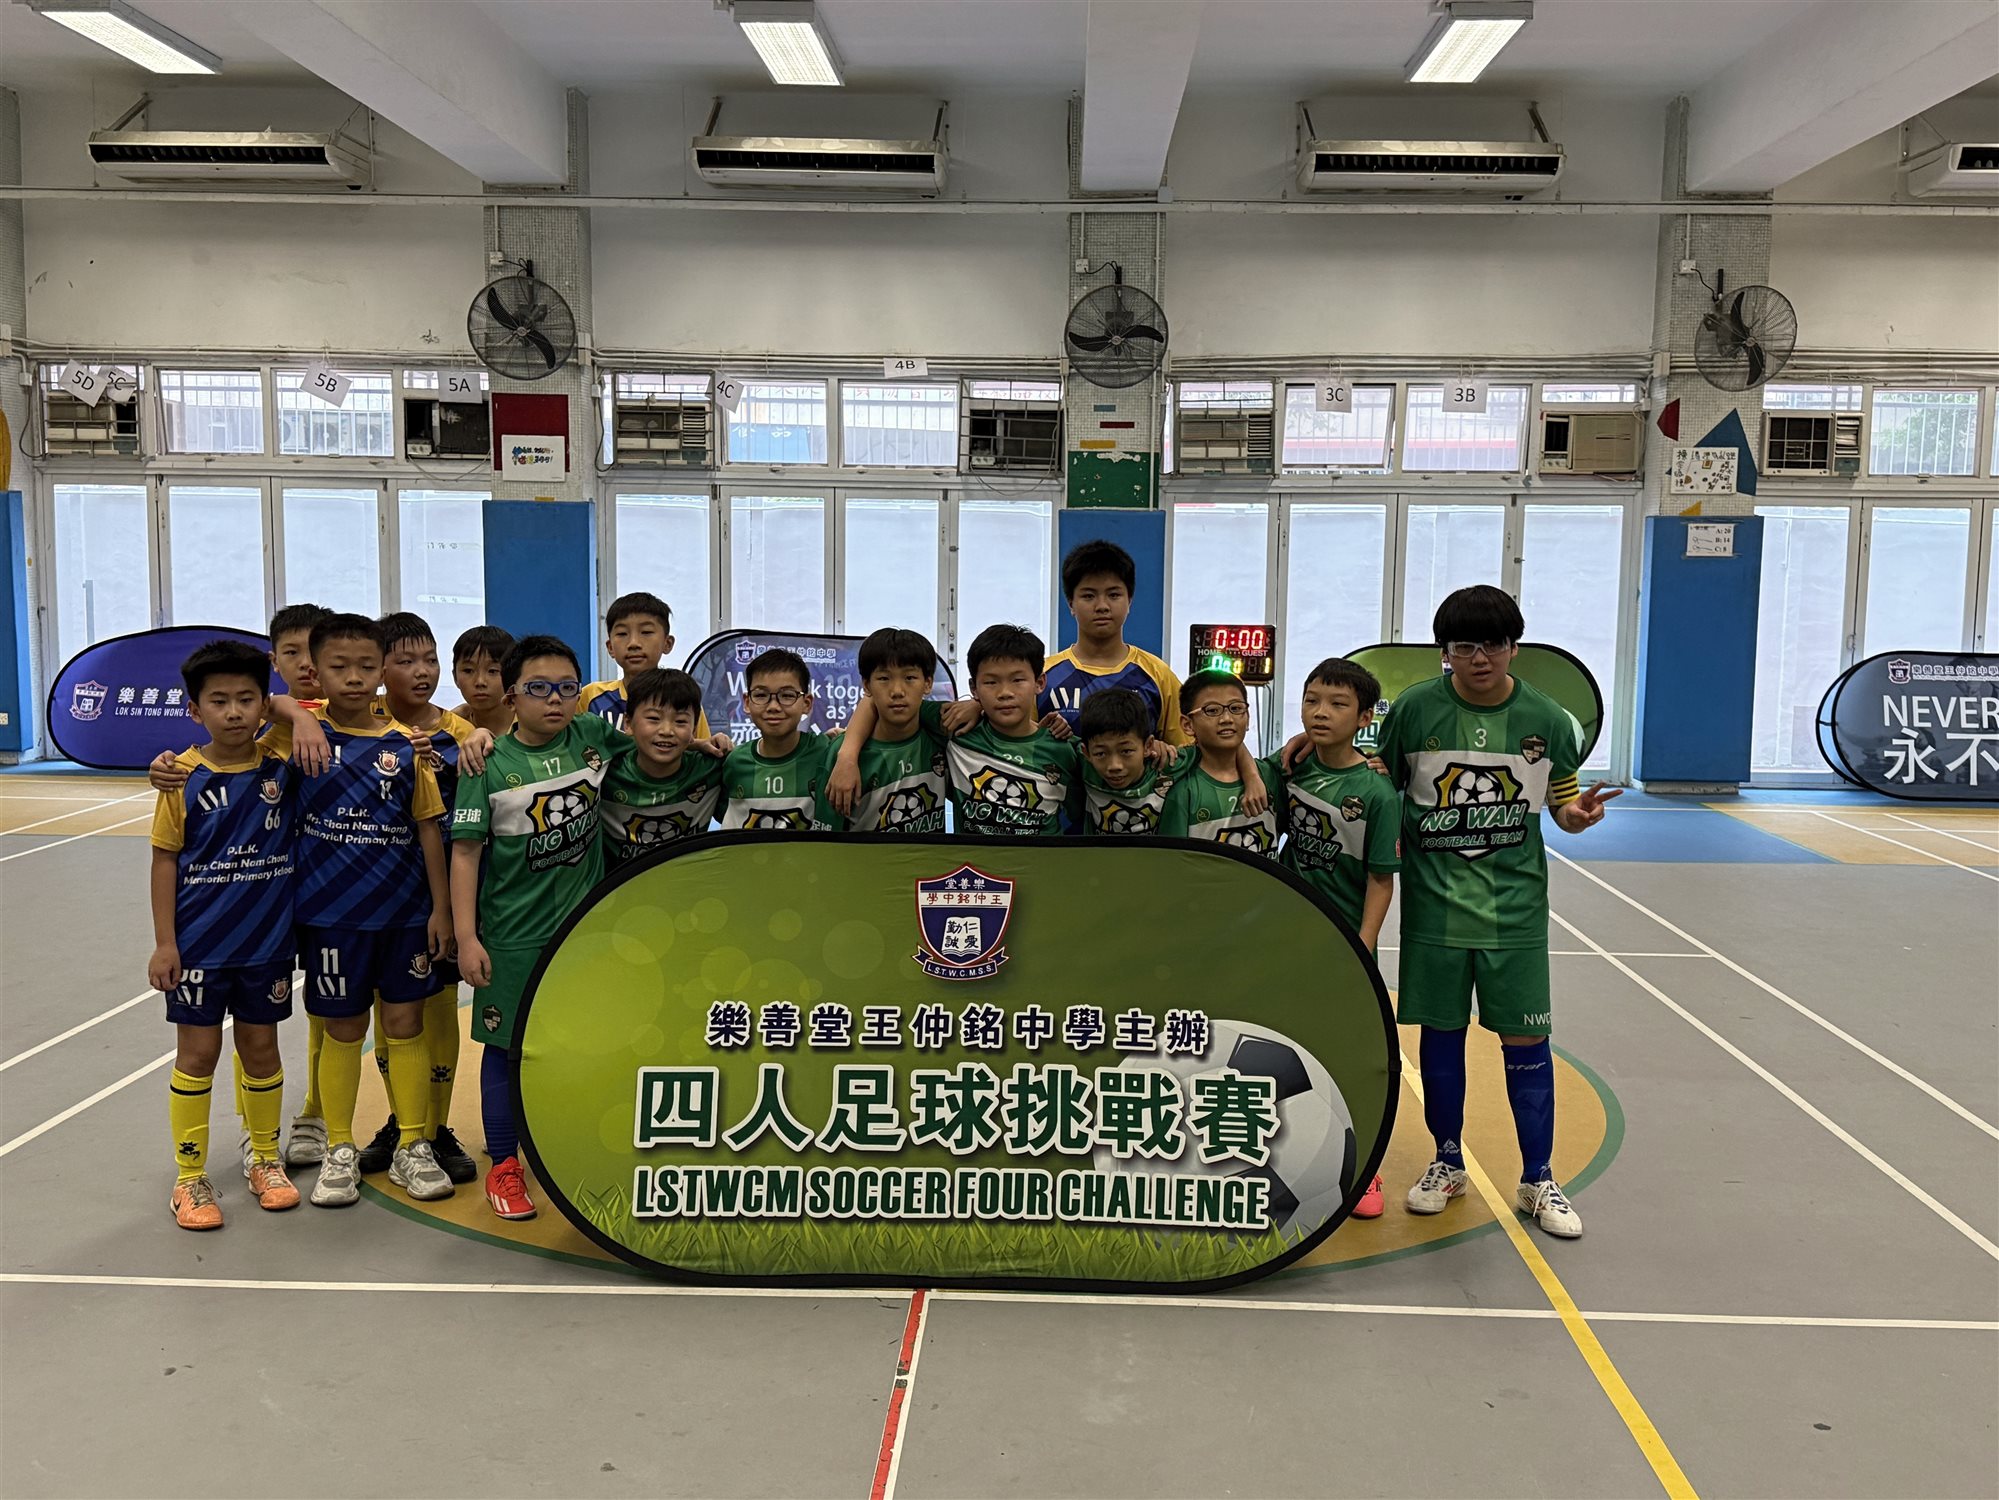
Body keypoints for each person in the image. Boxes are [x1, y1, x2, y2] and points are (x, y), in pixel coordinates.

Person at [1375, 585, 1618, 1239]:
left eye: (1492, 644)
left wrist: (1578, 817)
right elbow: (1378, 781)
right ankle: (1446, 1161)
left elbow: (1562, 807)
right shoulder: (1414, 710)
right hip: (1434, 911)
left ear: (1514, 647)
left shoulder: (1547, 720)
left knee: (1526, 1040)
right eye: (1463, 646)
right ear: (1444, 652)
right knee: (1441, 1035)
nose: (1478, 658)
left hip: (1515, 912)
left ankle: (1538, 1176)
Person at [277, 614, 455, 1208]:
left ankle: (412, 1145)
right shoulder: (299, 738)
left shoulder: (406, 745)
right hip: (332, 919)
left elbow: (428, 828)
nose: (353, 678)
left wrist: (440, 910)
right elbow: (258, 710)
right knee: (344, 1029)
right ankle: (339, 1148)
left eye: (365, 666)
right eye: (339, 667)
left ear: (381, 672)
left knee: (405, 1026)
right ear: (316, 670)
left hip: (404, 915)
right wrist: (300, 714)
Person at [451, 635, 621, 1221]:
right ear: (511, 697)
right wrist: (467, 938)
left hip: (585, 937)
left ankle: (571, 1150)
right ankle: (504, 1165)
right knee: (504, 1050)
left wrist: (708, 741)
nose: (555, 700)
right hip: (512, 938)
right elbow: (465, 853)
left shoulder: (593, 737)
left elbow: (658, 743)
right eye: (539, 688)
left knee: (583, 1045)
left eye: (567, 688)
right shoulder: (485, 763)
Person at [148, 640, 305, 1229]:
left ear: (264, 704)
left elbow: (297, 707)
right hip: (199, 947)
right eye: (218, 701)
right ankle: (189, 1178)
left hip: (266, 945)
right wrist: (166, 943)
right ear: (194, 710)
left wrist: (288, 711)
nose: (234, 712)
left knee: (261, 1050)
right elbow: (165, 860)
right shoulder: (181, 777)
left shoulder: (280, 759)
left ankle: (264, 1159)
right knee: (198, 1055)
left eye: (246, 699)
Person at [1267, 656, 1401, 1219]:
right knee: (1286, 1047)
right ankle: (1282, 1152)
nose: (1320, 713)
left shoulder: (1377, 793)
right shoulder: (1289, 770)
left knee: (1347, 1054)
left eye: (1338, 704)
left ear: (1365, 717)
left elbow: (1380, 880)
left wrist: (1363, 946)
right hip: (1289, 933)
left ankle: (1364, 1167)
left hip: (1345, 941)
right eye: (1312, 700)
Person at [349, 613, 480, 1185]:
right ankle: (403, 1123)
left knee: (438, 1008)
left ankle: (436, 1128)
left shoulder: (461, 733)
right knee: (392, 1014)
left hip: (440, 899)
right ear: (380, 669)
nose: (421, 671)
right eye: (406, 661)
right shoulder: (362, 728)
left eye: (429, 659)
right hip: (381, 899)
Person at [1039, 540, 1188, 746]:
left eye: (1114, 595)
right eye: (1088, 596)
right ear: (1071, 603)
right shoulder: (1043, 677)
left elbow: (1185, 751)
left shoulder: (1158, 675)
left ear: (1130, 601)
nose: (1102, 606)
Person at [947, 624, 1082, 838]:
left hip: (1045, 859)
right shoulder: (957, 736)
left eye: (1018, 680)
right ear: (974, 688)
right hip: (974, 861)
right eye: (991, 682)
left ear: (1039, 682)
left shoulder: (1065, 749)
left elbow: (1086, 812)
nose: (1005, 693)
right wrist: (973, 705)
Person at [825, 628, 951, 834]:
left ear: (928, 683)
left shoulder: (941, 732)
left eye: (910, 677)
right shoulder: (844, 754)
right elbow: (825, 840)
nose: (897, 691)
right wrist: (847, 756)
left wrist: (976, 706)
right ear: (866, 685)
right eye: (884, 678)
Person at [599, 668, 726, 862]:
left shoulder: (712, 769)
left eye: (680, 721)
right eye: (653, 719)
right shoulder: (604, 773)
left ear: (694, 729)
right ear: (628, 723)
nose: (667, 731)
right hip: (620, 882)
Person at [719, 648, 846, 831]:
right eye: (761, 695)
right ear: (747, 702)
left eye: (787, 696)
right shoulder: (734, 762)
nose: (773, 706)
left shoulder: (828, 753)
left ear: (807, 703)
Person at [1158, 671, 1275, 850]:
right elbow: (1173, 858)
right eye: (1212, 710)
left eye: (1236, 708)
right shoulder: (1183, 790)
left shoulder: (1270, 775)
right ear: (1188, 725)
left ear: (1248, 717)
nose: (1227, 719)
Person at [1076, 688, 1181, 834]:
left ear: (1148, 746)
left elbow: (1203, 750)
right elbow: (1050, 744)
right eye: (1101, 754)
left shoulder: (1169, 763)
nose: (1114, 766)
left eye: (1126, 751)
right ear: (1086, 753)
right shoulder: (1081, 762)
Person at [451, 624, 516, 739]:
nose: (480, 682)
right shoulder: (447, 734)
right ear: (455, 677)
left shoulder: (536, 727)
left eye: (492, 671)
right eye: (468, 670)